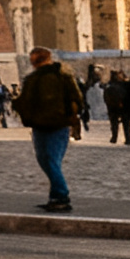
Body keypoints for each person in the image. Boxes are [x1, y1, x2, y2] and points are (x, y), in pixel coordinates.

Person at [13, 46, 86, 213]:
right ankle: (55, 196)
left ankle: (61, 196)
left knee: (47, 160)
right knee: (51, 161)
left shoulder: (33, 79)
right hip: (59, 124)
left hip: (43, 125)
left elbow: (25, 101)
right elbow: (77, 99)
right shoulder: (63, 76)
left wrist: (20, 108)